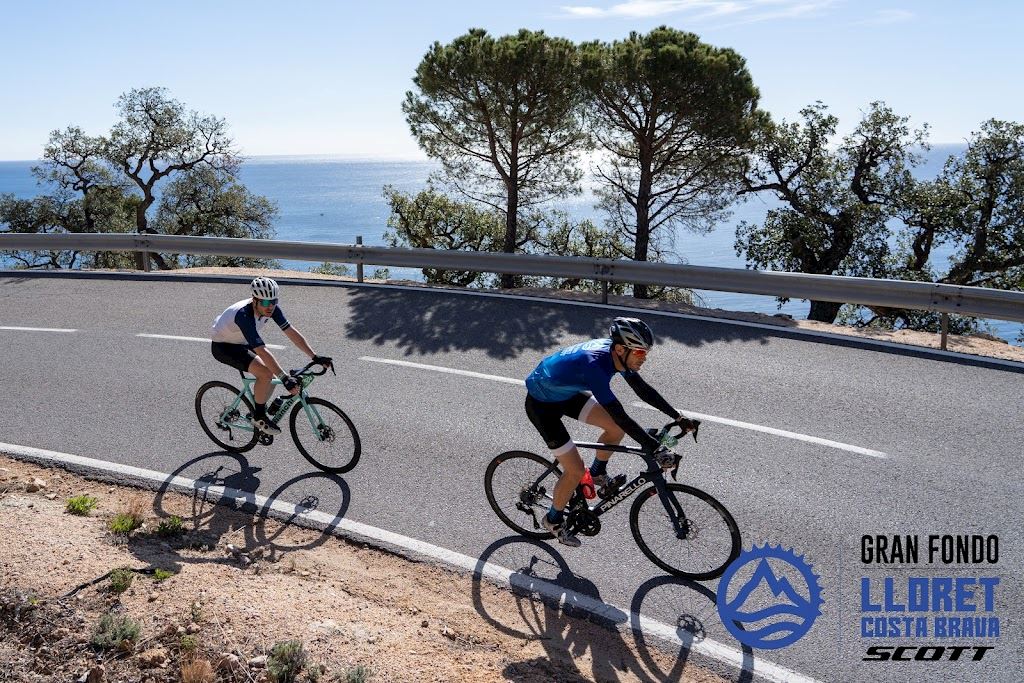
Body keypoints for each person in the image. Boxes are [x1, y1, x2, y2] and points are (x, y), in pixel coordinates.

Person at [524, 317, 697, 547]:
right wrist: (654, 447)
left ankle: (597, 473)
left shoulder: (619, 357)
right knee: (574, 470)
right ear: (619, 349)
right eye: (639, 352)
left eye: (645, 352)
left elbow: (642, 390)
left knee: (615, 429)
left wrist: (677, 416)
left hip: (565, 394)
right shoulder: (595, 365)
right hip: (541, 405)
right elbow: (619, 414)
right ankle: (553, 520)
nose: (644, 358)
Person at [210, 277, 332, 435]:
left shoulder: (271, 308)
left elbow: (291, 332)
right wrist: (285, 379)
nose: (271, 306)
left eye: (274, 301)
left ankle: (256, 405)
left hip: (240, 340)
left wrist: (314, 356)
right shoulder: (243, 315)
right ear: (255, 300)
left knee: (272, 372)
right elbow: (262, 350)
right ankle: (259, 416)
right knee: (266, 373)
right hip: (224, 346)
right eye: (266, 303)